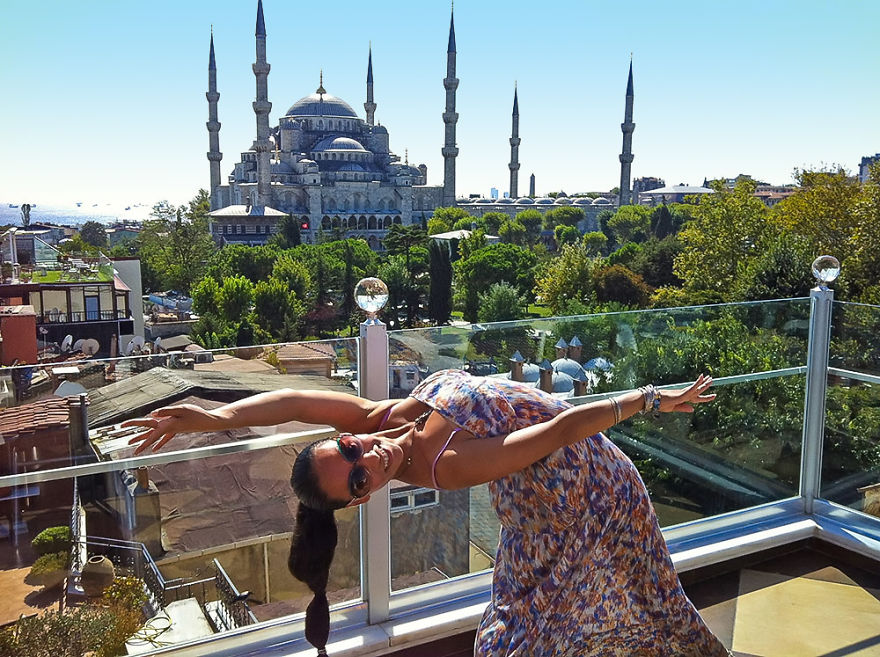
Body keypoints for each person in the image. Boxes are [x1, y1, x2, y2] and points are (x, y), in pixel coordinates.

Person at [125, 369, 729, 657]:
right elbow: (559, 428)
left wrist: (215, 416)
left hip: (598, 482)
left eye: (348, 449)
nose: (368, 456)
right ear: (363, 497)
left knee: (634, 597)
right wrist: (652, 399)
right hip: (569, 498)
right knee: (524, 636)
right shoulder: (446, 466)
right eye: (359, 478)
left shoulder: (380, 419)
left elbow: (293, 401)